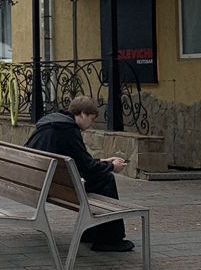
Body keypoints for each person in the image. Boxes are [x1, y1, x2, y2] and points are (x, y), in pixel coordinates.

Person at [25, 96, 134, 252]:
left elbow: (79, 160)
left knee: (100, 177)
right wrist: (111, 166)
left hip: (40, 181)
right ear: (82, 114)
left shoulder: (51, 123)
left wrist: (104, 161)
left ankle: (91, 231)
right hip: (55, 187)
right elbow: (86, 166)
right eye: (91, 118)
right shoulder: (68, 130)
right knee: (106, 179)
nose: (91, 124)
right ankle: (109, 238)